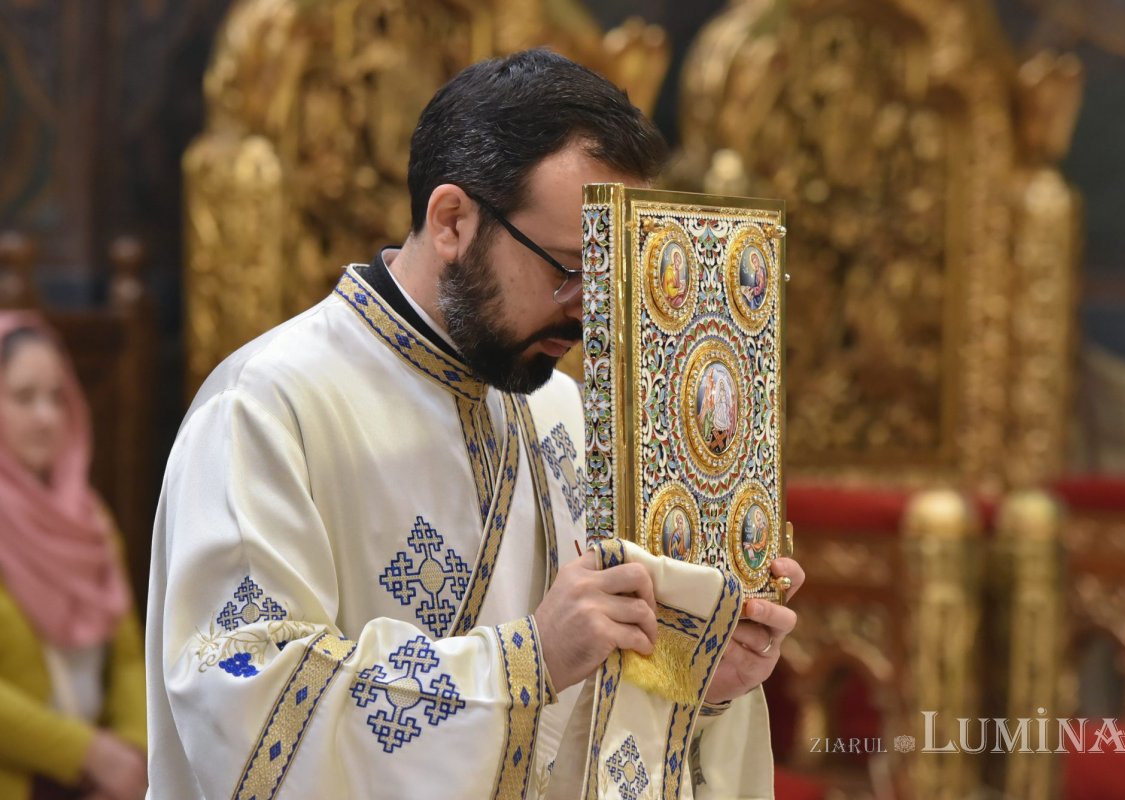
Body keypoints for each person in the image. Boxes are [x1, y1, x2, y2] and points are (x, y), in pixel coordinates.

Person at [147, 49, 804, 799]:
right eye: (569, 268)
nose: (590, 310)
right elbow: (246, 706)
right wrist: (528, 661)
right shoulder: (266, 408)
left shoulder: (566, 410)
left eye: (614, 272)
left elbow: (586, 726)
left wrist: (697, 682)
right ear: (453, 221)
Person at [0, 313, 147, 800]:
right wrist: (89, 754)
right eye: (24, 397)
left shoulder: (87, 517)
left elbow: (127, 657)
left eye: (57, 397)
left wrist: (134, 752)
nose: (46, 416)